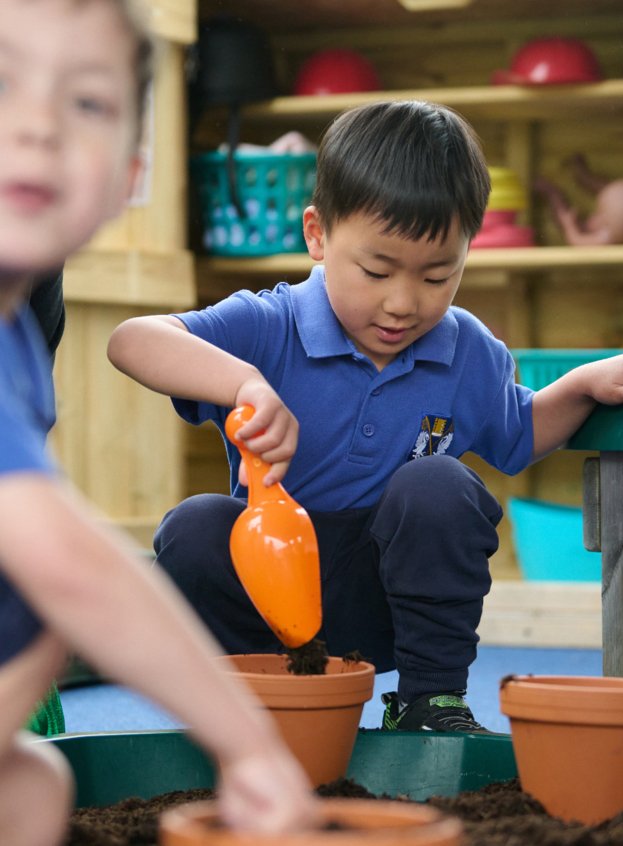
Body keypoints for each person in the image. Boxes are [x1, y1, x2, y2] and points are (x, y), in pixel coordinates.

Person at [108, 99, 623, 735]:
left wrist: (577, 387)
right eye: (376, 271)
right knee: (193, 526)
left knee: (439, 486)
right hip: (268, 591)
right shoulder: (270, 325)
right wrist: (244, 381)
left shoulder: (466, 350)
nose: (404, 303)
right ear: (318, 235)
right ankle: (232, 703)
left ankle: (429, 703)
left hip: (387, 603)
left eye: (439, 276)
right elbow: (133, 340)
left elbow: (519, 436)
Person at [0, 2, 317, 844]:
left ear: (129, 174)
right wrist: (249, 746)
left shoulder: (21, 340)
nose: (36, 126)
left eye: (88, 103)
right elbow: (67, 562)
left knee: (31, 787)